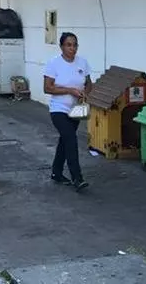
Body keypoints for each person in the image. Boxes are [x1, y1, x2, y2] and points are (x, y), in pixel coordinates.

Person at [43, 32, 92, 191]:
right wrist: (69, 90)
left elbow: (89, 83)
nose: (72, 48)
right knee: (71, 139)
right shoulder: (54, 63)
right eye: (68, 45)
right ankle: (77, 178)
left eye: (75, 45)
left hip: (75, 109)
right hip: (58, 109)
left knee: (65, 141)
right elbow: (47, 88)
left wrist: (85, 93)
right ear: (61, 46)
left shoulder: (82, 63)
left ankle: (56, 173)